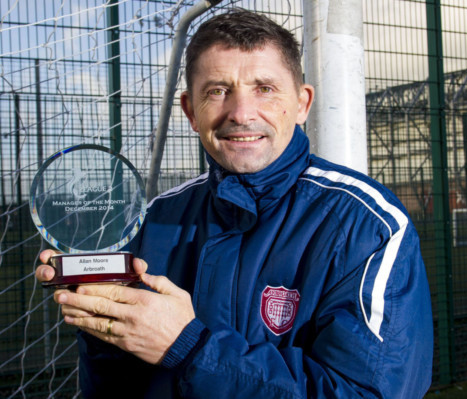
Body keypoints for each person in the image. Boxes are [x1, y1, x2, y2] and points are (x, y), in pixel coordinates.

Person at [36, 9, 433, 398]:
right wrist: (107, 328)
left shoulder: (367, 227)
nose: (241, 114)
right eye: (218, 91)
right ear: (191, 110)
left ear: (301, 104)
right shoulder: (156, 220)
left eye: (264, 88)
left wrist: (192, 348)